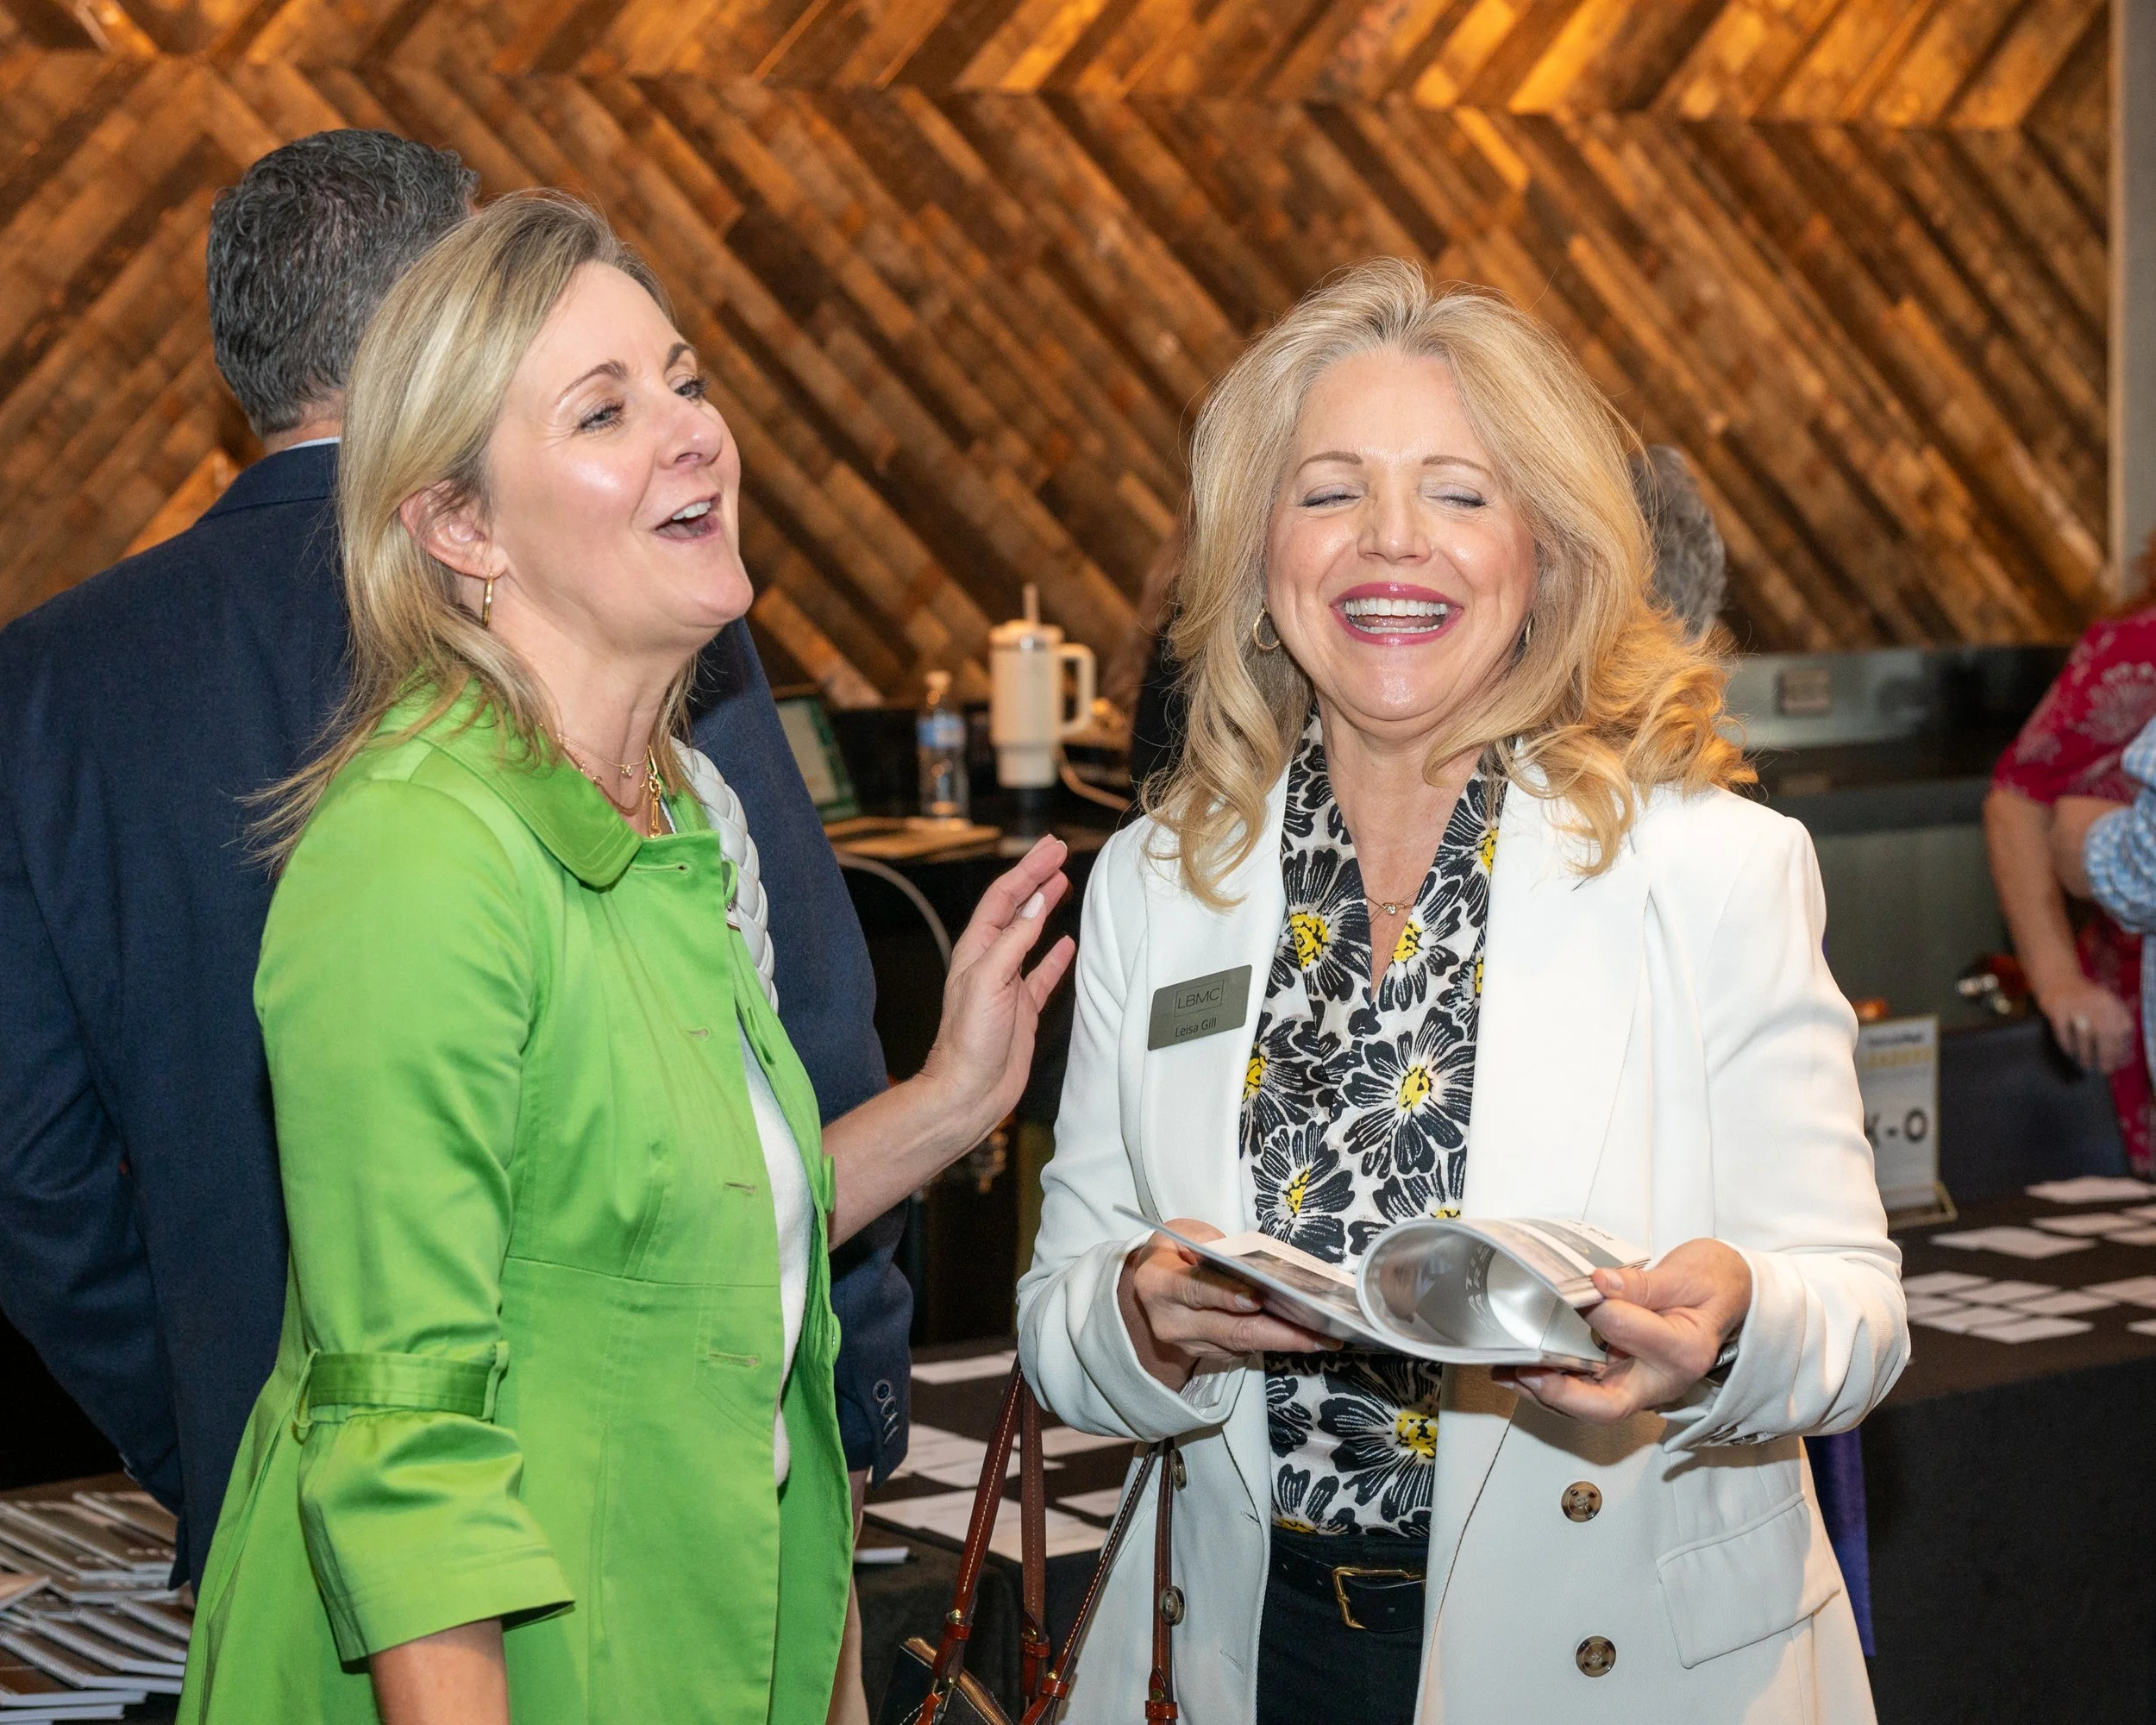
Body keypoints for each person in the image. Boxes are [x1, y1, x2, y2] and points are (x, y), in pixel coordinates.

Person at [176, 191, 1075, 1723]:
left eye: (686, 380)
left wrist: (948, 1098)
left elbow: (687, 1246)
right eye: (605, 408)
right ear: (460, 527)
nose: (691, 431)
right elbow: (405, 1446)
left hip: (711, 1635)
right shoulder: (421, 853)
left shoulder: (667, 820)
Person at [0, 131, 918, 1605]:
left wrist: (220, 1442)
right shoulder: (620, 592)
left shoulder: (43, 679)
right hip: (636, 1514)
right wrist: (847, 1402)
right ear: (453, 317)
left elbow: (36, 1180)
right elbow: (796, 1026)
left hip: (275, 1526)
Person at [1016, 260, 1905, 1724]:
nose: (1390, 545)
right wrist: (1146, 1317)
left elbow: (1858, 1316)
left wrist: (1732, 1325)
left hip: (1619, 1669)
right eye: (1329, 493)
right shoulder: (1160, 886)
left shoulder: (1715, 868)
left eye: (1458, 493)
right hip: (1250, 1653)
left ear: (1547, 554)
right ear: (1253, 552)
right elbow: (1062, 1315)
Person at [1985, 538, 2156, 1173]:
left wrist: (2092, 838)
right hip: (2122, 1031)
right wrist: (2057, 978)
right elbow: (2018, 797)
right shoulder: (2140, 652)